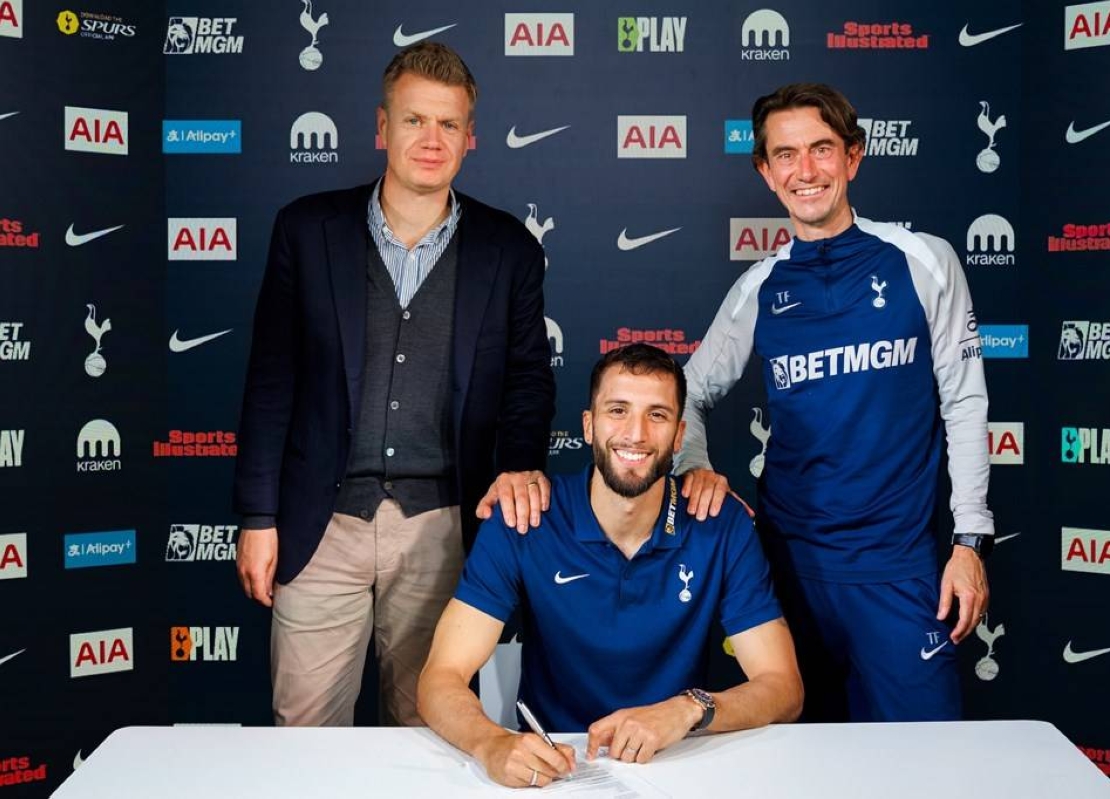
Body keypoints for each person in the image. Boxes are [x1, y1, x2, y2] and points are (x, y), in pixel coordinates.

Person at [233, 42, 555, 727]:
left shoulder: (510, 250)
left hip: (444, 528)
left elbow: (528, 381)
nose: (431, 140)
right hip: (319, 525)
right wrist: (258, 518)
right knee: (305, 735)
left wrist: (519, 468)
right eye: (414, 120)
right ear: (383, 127)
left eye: (447, 124)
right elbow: (270, 383)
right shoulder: (306, 230)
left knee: (431, 733)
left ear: (469, 138)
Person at [677, 83, 994, 722]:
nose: (806, 170)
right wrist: (693, 468)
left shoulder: (923, 260)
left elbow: (964, 402)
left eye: (821, 149)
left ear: (853, 156)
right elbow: (684, 395)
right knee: (798, 761)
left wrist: (970, 543)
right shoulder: (760, 286)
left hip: (899, 572)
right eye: (786, 155)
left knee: (928, 762)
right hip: (785, 575)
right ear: (765, 172)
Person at [418, 344, 803, 788]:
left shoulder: (720, 523)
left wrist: (687, 710)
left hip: (678, 762)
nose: (636, 434)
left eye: (657, 415)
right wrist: (491, 743)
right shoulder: (524, 517)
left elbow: (783, 688)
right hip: (552, 768)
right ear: (589, 425)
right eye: (618, 410)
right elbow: (440, 677)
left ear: (679, 435)